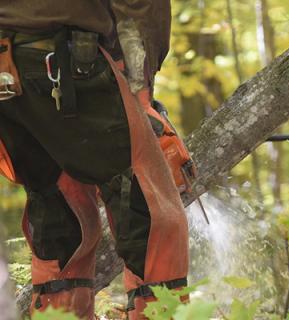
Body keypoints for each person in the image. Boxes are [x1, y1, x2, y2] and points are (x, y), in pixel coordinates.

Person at [0, 1, 189, 319]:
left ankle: (58, 314)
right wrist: (140, 85)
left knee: (59, 202)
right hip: (59, 55)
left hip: (15, 74)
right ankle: (161, 312)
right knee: (152, 209)